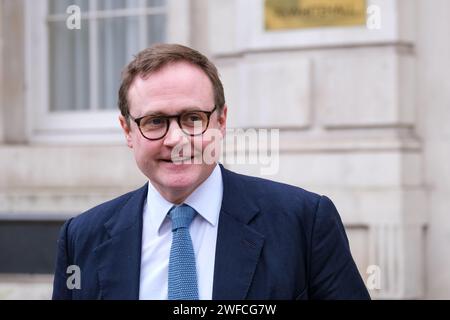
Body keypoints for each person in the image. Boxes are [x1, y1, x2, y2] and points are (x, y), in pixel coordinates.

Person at [52, 43, 370, 300]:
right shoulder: (82, 237)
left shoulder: (304, 222)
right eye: (155, 121)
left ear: (221, 121)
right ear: (127, 131)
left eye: (193, 118)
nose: (176, 139)